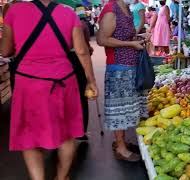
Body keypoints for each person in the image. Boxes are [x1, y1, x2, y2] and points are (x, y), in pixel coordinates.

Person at [1, 0, 98, 179]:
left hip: (29, 83)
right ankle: (61, 177)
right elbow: (82, 51)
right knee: (67, 134)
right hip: (64, 81)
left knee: (29, 136)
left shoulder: (15, 11)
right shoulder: (68, 13)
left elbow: (5, 51)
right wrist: (91, 81)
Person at [97, 0, 148, 162]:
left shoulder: (125, 8)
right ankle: (120, 148)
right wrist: (131, 44)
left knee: (126, 107)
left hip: (130, 66)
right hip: (118, 68)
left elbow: (122, 35)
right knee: (119, 107)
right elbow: (102, 40)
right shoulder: (111, 9)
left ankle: (122, 141)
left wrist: (137, 38)